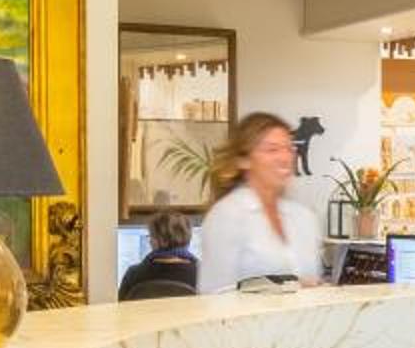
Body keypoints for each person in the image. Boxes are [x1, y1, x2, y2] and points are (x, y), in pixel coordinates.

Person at [195, 111, 323, 292]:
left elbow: (314, 286)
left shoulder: (304, 217)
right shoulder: (227, 215)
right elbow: (214, 295)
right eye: (272, 150)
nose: (285, 158)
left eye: (289, 148)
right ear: (243, 160)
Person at [118, 211, 198, 299]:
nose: (149, 241)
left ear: (157, 240)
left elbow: (120, 306)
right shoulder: (201, 275)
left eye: (151, 236)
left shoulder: (133, 274)